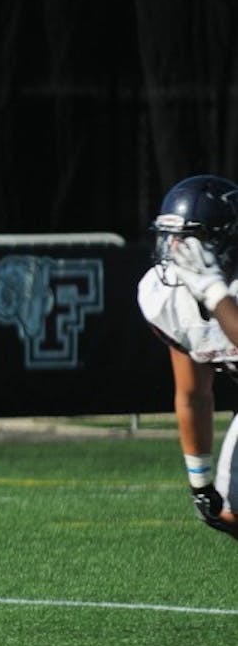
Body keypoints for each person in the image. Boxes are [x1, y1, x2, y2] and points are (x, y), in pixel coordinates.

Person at [136, 174, 238, 540]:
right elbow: (193, 393)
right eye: (171, 239)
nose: (177, 252)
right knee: (229, 509)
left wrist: (215, 291)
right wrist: (200, 482)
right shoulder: (165, 297)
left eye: (191, 241)